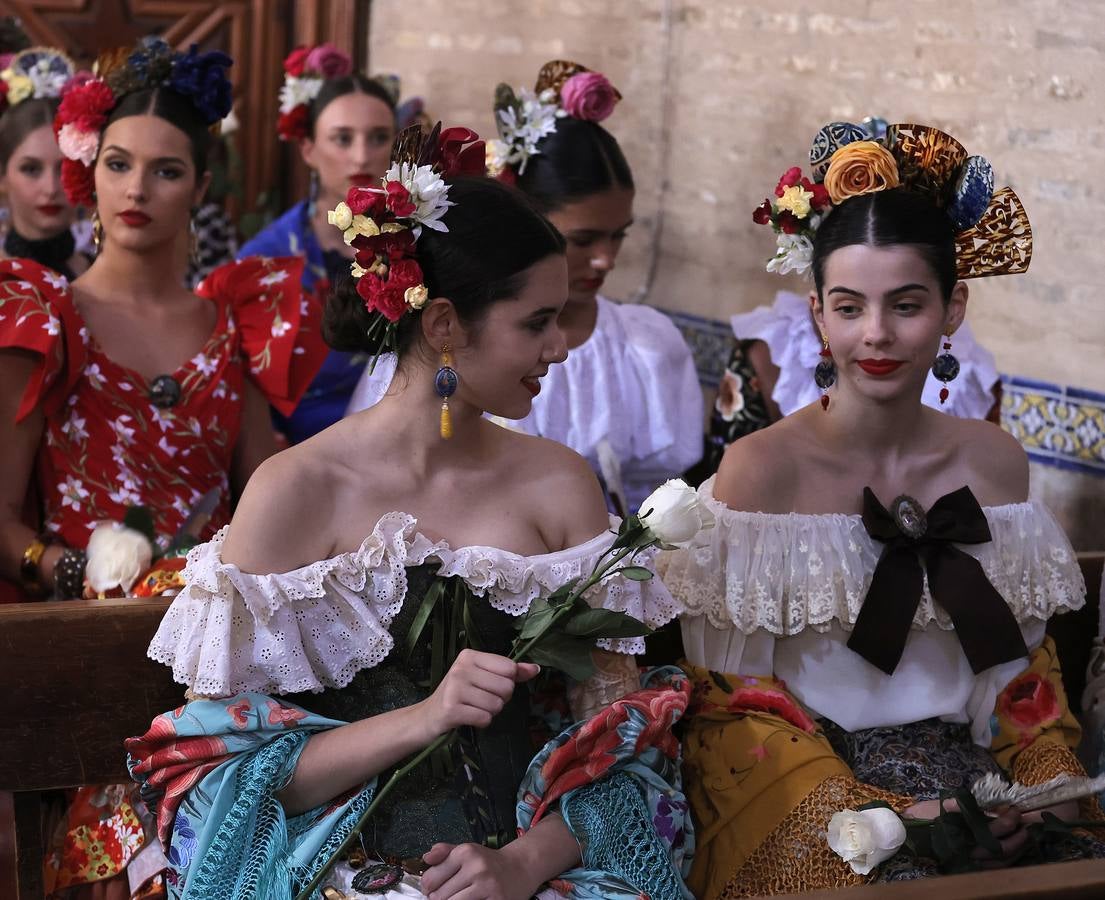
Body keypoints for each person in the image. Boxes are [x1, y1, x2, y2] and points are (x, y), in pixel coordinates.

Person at [127, 129, 693, 900]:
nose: (560, 347)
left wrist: (521, 864)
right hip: (335, 873)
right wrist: (424, 716)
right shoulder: (296, 490)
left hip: (526, 874)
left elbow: (625, 749)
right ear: (444, 325)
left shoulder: (560, 486)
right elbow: (219, 784)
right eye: (536, 322)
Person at [660, 122, 1104, 895]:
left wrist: (1030, 790)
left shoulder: (992, 463)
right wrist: (904, 818)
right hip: (806, 788)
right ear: (815, 314)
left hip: (978, 783)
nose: (875, 335)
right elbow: (734, 711)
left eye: (905, 305)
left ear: (951, 308)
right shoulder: (761, 471)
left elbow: (1016, 676)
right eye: (848, 306)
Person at [0, 38, 326, 895]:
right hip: (81, 645)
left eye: (166, 170)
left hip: (216, 649)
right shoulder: (44, 316)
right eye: (118, 164)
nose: (138, 188)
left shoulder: (240, 323)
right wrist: (71, 572)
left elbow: (275, 490)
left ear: (202, 188)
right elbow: (2, 523)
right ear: (90, 177)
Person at [348, 60, 702, 514]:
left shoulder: (646, 345)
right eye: (583, 239)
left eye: (619, 236)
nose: (605, 260)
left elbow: (670, 504)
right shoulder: (432, 351)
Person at [238, 43, 398, 443]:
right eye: (342, 139)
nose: (361, 157)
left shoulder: (425, 247)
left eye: (378, 137)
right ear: (309, 149)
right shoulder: (266, 259)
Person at [0, 47, 92, 280]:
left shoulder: (106, 284)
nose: (51, 188)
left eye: (65, 168)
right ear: (2, 176)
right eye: (31, 169)